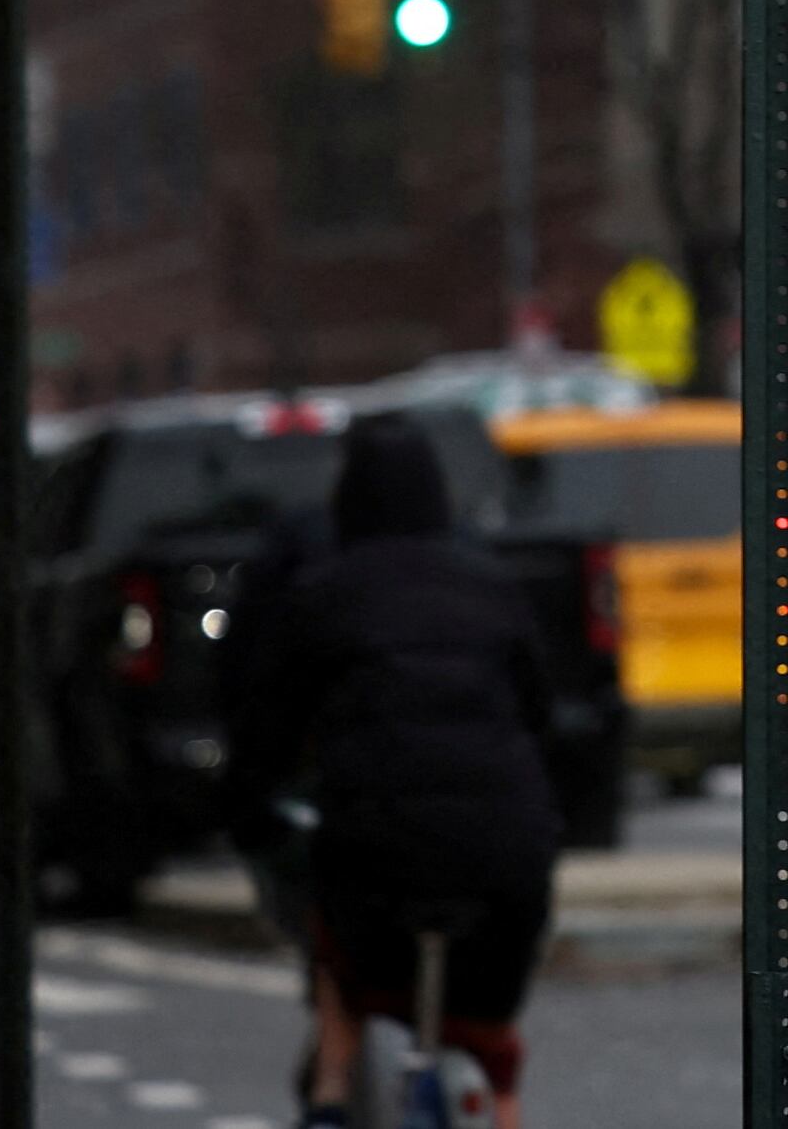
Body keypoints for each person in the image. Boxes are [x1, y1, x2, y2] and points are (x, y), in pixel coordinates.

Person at [229, 413, 562, 1129]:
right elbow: (542, 715)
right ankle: (501, 1106)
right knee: (491, 1041)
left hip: (374, 858)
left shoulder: (320, 594)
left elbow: (264, 733)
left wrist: (251, 812)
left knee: (340, 972)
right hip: (504, 860)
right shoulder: (494, 587)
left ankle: (330, 1089)